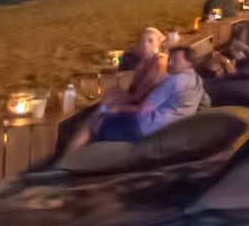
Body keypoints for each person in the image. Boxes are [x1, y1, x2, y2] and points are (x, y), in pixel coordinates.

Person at [64, 44, 205, 154]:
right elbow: (205, 102)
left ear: (189, 63)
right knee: (108, 111)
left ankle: (64, 164)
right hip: (165, 128)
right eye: (169, 59)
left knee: (92, 121)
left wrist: (112, 108)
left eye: (175, 60)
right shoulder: (197, 81)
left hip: (143, 128)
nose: (170, 63)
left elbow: (143, 110)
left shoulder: (175, 81)